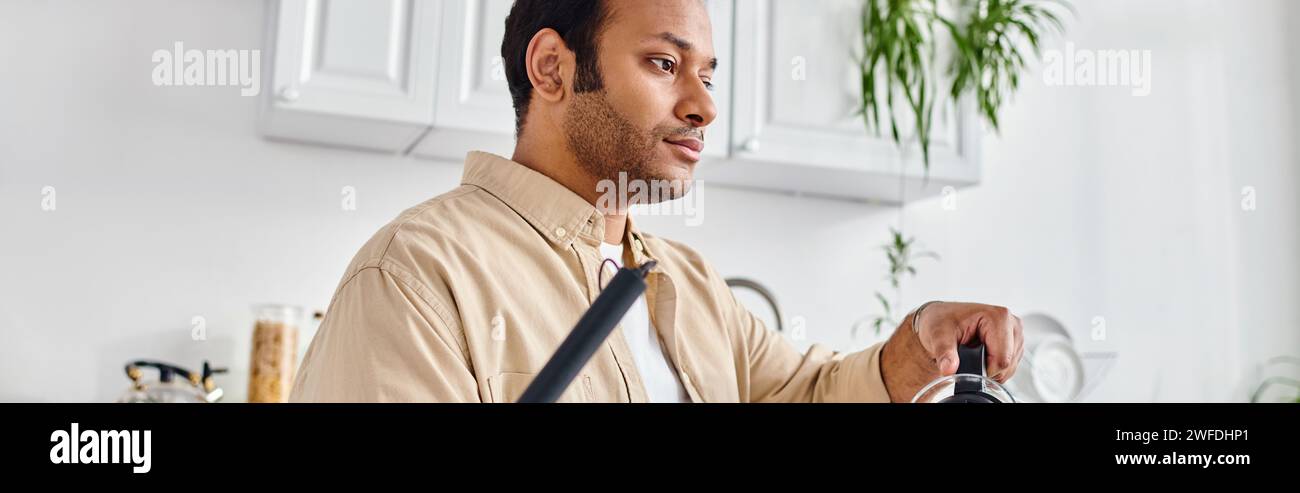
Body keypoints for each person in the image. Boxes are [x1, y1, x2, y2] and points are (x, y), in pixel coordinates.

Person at [290, 0, 1023, 403]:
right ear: (551, 67)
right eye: (665, 64)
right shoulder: (416, 278)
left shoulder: (691, 285)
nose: (703, 104)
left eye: (707, 73)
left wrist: (918, 343)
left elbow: (808, 395)